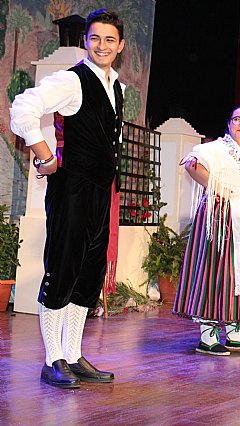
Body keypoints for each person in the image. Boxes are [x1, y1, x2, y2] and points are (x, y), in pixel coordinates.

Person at [9, 9, 125, 389]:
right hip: (72, 189)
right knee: (62, 269)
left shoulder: (116, 86)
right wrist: (45, 155)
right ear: (85, 41)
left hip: (99, 192)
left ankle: (73, 355)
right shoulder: (72, 81)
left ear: (120, 46)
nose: (101, 45)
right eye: (95, 38)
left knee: (87, 275)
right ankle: (51, 359)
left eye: (109, 40)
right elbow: (24, 107)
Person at [173, 106, 240, 356]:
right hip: (223, 217)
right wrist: (219, 189)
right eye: (237, 119)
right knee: (217, 272)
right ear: (229, 123)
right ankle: (207, 335)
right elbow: (192, 164)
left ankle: (235, 332)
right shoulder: (216, 149)